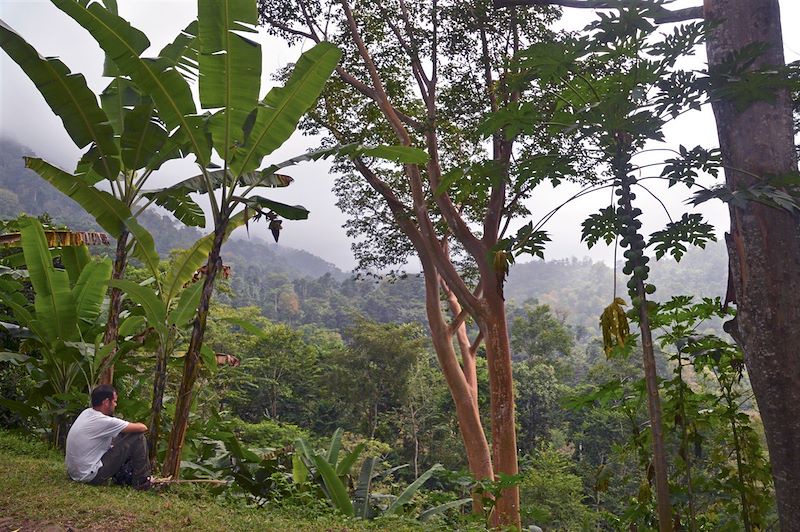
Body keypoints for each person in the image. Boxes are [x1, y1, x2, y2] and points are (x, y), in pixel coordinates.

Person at [65, 384, 151, 490]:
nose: (115, 404)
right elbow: (143, 428)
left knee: (121, 434)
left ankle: (124, 475)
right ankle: (141, 482)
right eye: (114, 401)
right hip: (90, 476)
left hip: (75, 473)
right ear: (106, 402)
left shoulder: (86, 413)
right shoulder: (104, 421)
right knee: (138, 437)